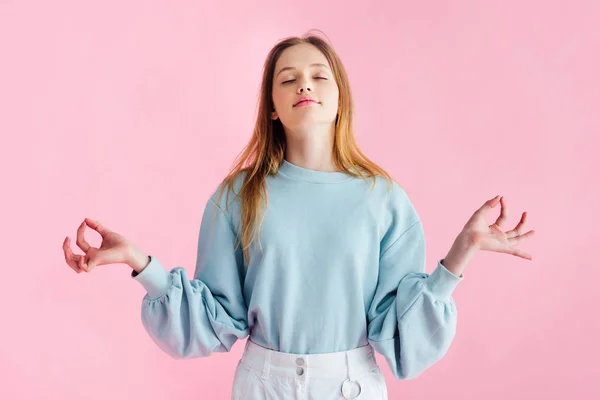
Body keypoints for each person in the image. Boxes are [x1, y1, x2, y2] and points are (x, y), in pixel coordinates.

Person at [63, 30, 535, 400]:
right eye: (287, 78)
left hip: (352, 386)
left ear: (339, 97)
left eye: (318, 75)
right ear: (271, 106)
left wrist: (460, 255)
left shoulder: (385, 200)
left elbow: (401, 337)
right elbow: (213, 319)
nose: (303, 84)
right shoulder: (237, 197)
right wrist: (142, 264)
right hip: (262, 385)